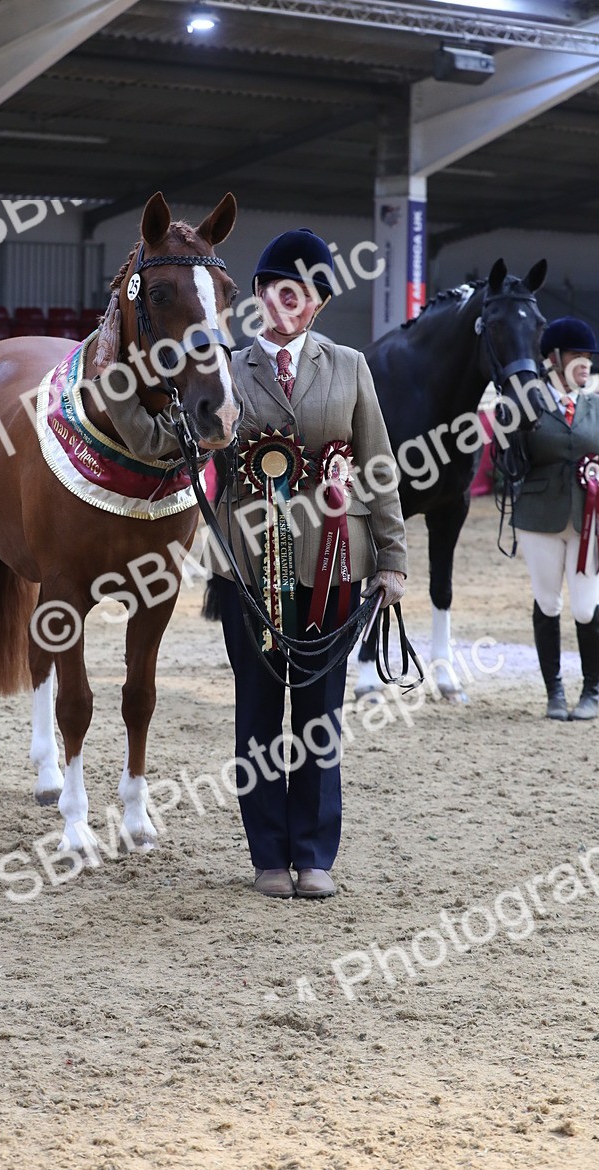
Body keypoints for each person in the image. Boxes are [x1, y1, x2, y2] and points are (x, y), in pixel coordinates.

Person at [210, 229, 407, 899]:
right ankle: (268, 854)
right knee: (259, 710)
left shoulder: (350, 365)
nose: (283, 299)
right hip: (249, 562)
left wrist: (393, 559)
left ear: (318, 302)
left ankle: (315, 853)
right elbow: (190, 453)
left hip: (336, 563)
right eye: (272, 288)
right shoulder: (227, 369)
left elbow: (378, 465)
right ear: (260, 296)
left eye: (298, 290)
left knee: (320, 713)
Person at [513, 316, 599, 721]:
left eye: (588, 357)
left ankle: (593, 690)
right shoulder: (528, 405)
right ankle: (555, 691)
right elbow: (511, 465)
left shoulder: (596, 404)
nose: (585, 363)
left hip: (590, 518)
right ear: (554, 359)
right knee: (548, 602)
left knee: (585, 607)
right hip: (539, 517)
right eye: (577, 355)